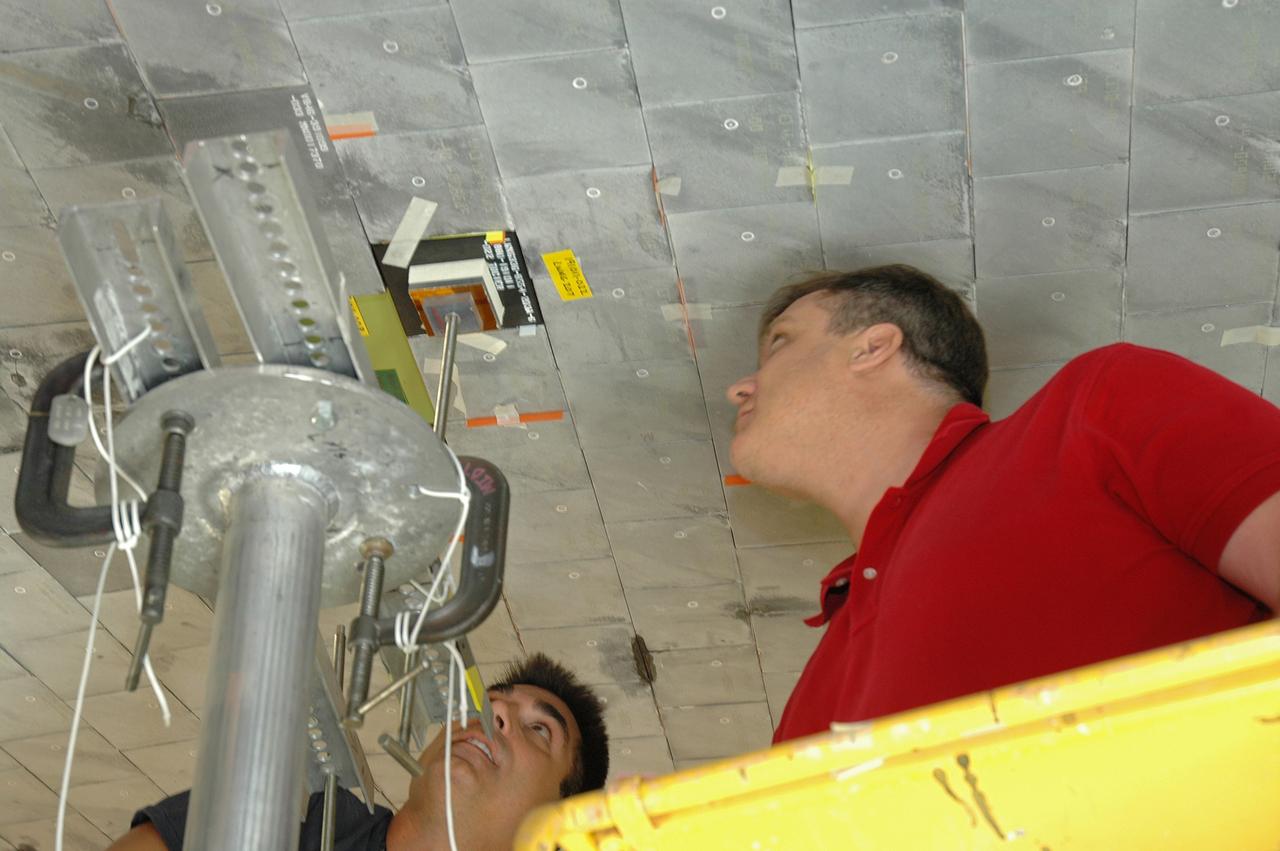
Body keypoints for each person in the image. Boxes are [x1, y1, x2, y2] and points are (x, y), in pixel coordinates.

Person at [725, 264, 1280, 743]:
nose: (740, 388)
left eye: (781, 342)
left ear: (872, 347)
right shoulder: (810, 702)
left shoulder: (1094, 410)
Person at [106, 653, 609, 850]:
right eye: (487, 702)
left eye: (540, 730)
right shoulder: (293, 812)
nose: (493, 716)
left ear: (558, 822)